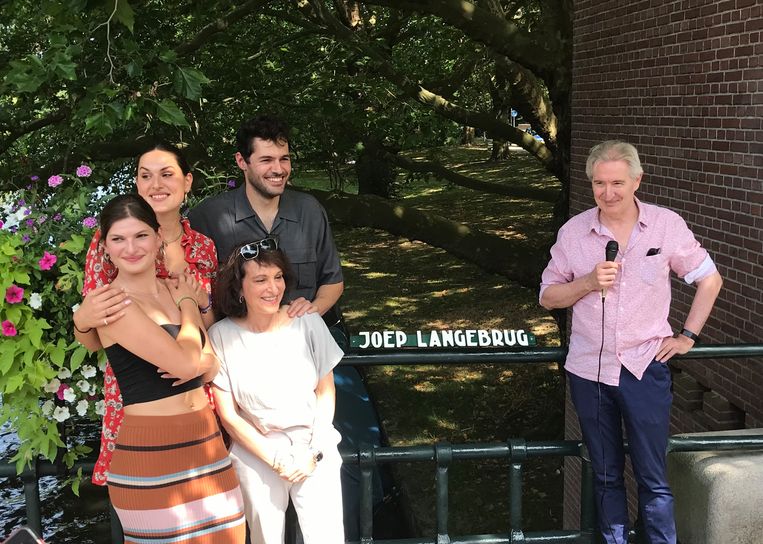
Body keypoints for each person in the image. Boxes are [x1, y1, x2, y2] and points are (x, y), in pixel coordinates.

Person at [539, 141, 723, 543]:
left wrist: (688, 336)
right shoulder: (573, 232)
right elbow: (548, 295)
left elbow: (710, 279)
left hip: (644, 367)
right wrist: (587, 282)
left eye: (618, 182)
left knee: (652, 477)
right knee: (605, 477)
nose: (608, 193)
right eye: (599, 184)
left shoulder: (665, 226)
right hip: (588, 371)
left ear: (637, 180)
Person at [92, 194, 245, 543]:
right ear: (105, 247)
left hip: (205, 445)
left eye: (140, 235)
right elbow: (189, 362)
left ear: (158, 237)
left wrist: (197, 358)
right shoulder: (113, 303)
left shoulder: (170, 289)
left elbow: (209, 368)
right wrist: (190, 305)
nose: (131, 247)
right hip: (150, 454)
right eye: (118, 238)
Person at [73, 142, 218, 487]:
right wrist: (80, 321)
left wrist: (200, 316)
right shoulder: (110, 242)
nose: (156, 185)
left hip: (196, 391)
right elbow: (96, 329)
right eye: (145, 176)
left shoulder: (203, 246)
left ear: (187, 182)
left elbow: (206, 321)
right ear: (136, 184)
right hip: (137, 394)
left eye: (167, 175)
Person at [209, 239, 345, 544]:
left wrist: (313, 451)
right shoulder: (221, 336)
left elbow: (325, 392)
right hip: (257, 449)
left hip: (312, 442)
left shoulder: (306, 321)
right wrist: (274, 459)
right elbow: (228, 415)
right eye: (260, 279)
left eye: (278, 277)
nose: (273, 288)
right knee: (265, 537)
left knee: (326, 536)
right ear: (239, 288)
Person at [187, 114, 344, 327]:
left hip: (304, 338)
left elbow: (333, 281)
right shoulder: (208, 217)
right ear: (242, 161)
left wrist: (312, 311)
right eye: (266, 160)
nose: (278, 169)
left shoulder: (310, 211)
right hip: (238, 345)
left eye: (284, 158)